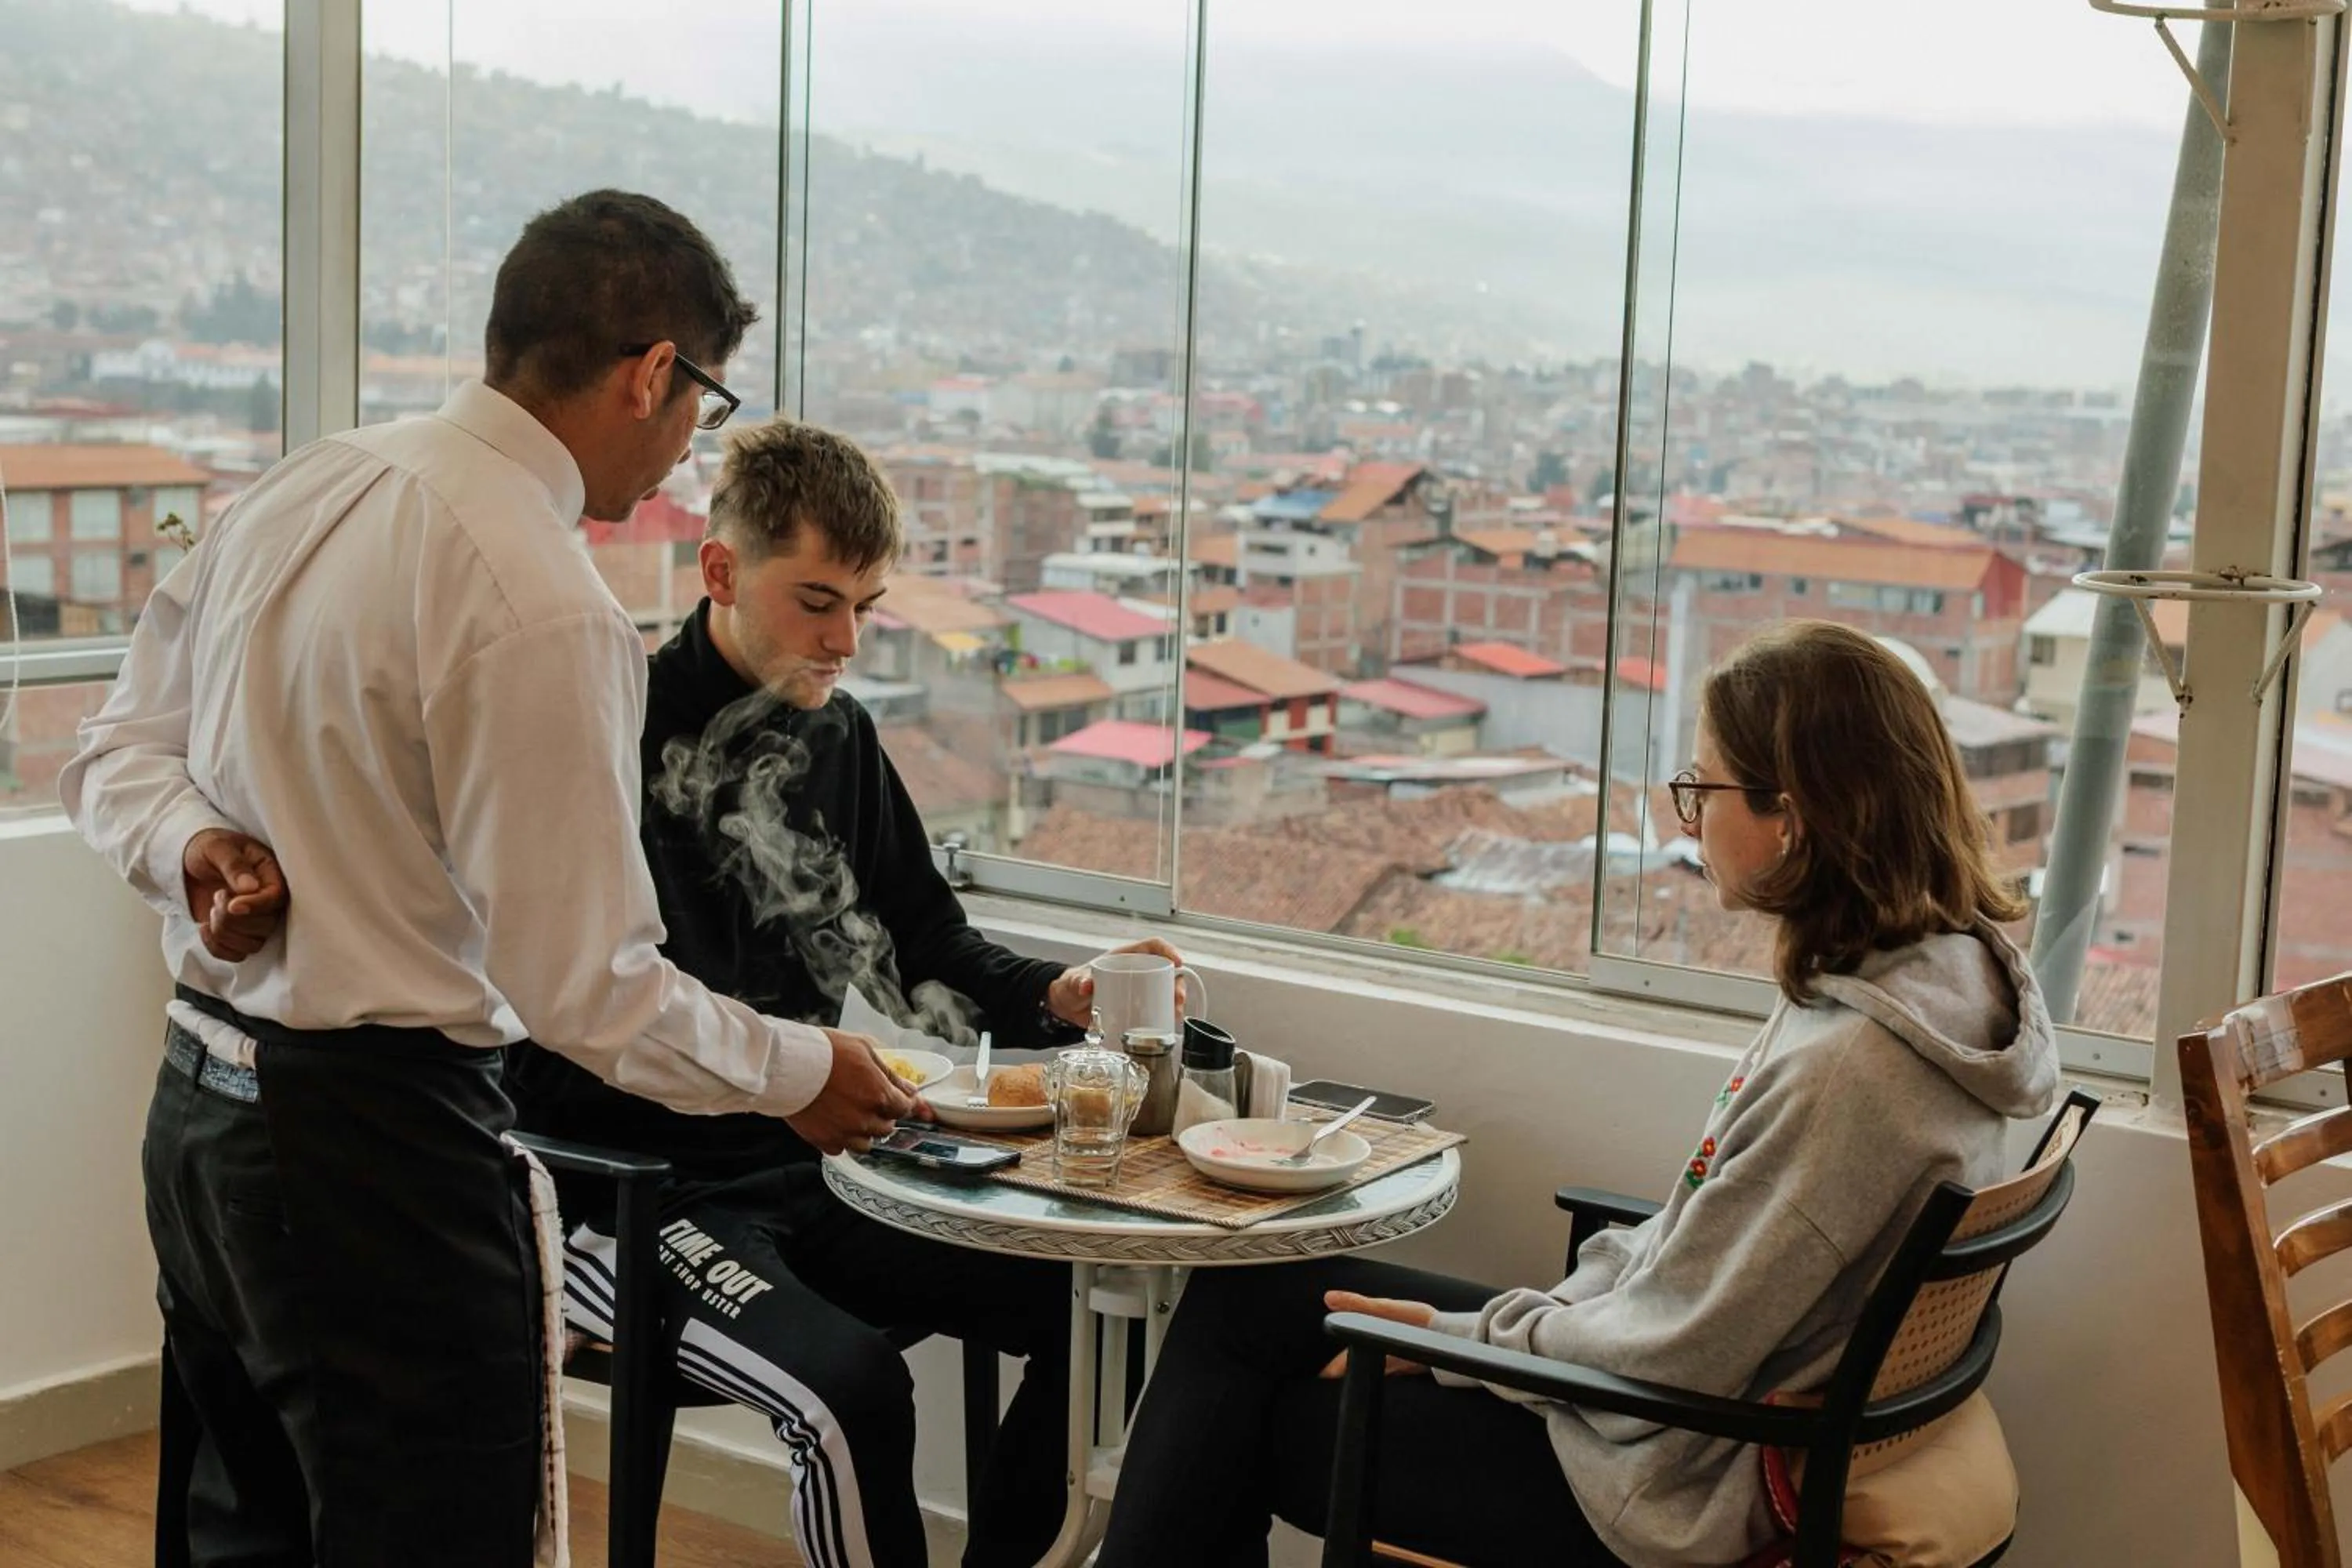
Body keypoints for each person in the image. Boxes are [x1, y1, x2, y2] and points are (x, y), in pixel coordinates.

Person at [62, 190, 917, 1568]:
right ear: (654, 373)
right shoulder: (540, 597)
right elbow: (588, 987)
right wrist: (798, 1071)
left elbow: (115, 751)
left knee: (241, 1537)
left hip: (202, 1124)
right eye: (701, 403)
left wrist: (186, 844)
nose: (690, 440)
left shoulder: (300, 485)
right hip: (373, 1162)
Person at [1092, 620, 2061, 1568]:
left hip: (1658, 1479)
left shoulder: (1851, 1070)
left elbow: (1678, 1350)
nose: (1690, 815)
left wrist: (1464, 1343)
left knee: (1245, 1415)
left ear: (1793, 814)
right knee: (1256, 1291)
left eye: (1702, 786)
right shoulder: (1951, 974)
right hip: (1669, 1400)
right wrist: (1477, 1332)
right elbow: (1702, 1280)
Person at [506, 416, 1185, 1568]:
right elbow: (562, 1006)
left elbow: (928, 947)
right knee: (850, 1389)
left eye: (867, 607)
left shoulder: (842, 739)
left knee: (1101, 1313)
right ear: (721, 570)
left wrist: (1064, 995)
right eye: (818, 602)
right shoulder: (601, 726)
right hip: (620, 1198)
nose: (849, 640)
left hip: (809, 1169)